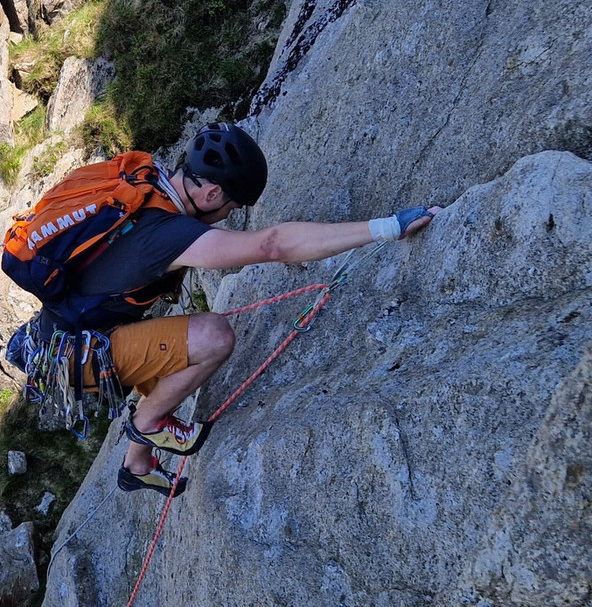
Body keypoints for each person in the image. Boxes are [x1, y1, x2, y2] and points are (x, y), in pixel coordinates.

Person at [40, 123, 440, 497]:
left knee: (172, 350)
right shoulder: (170, 234)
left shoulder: (144, 183)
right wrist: (388, 227)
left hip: (58, 338)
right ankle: (148, 425)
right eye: (231, 207)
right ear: (212, 194)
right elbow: (273, 246)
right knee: (211, 337)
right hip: (79, 353)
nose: (229, 217)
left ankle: (136, 466)